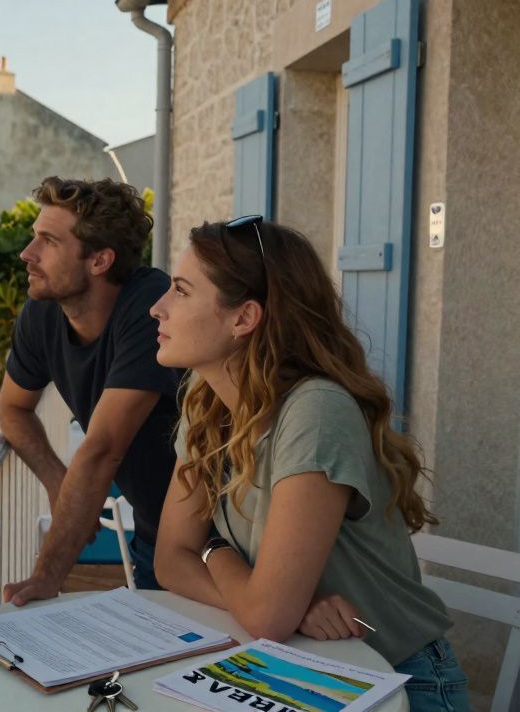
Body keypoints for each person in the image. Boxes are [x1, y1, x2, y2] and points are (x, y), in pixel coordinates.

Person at [149, 216, 469, 711]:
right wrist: (276, 606)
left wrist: (214, 555)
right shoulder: (206, 398)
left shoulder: (314, 411)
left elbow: (264, 612)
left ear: (243, 318)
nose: (158, 308)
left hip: (394, 681)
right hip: (292, 667)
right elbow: (170, 558)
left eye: (182, 291)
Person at [0, 177, 184, 605]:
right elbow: (12, 409)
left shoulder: (150, 307)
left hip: (222, 536)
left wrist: (47, 577)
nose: (28, 254)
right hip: (156, 532)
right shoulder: (43, 312)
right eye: (34, 238)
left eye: (48, 241)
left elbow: (103, 449)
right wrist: (56, 479)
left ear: (100, 260)